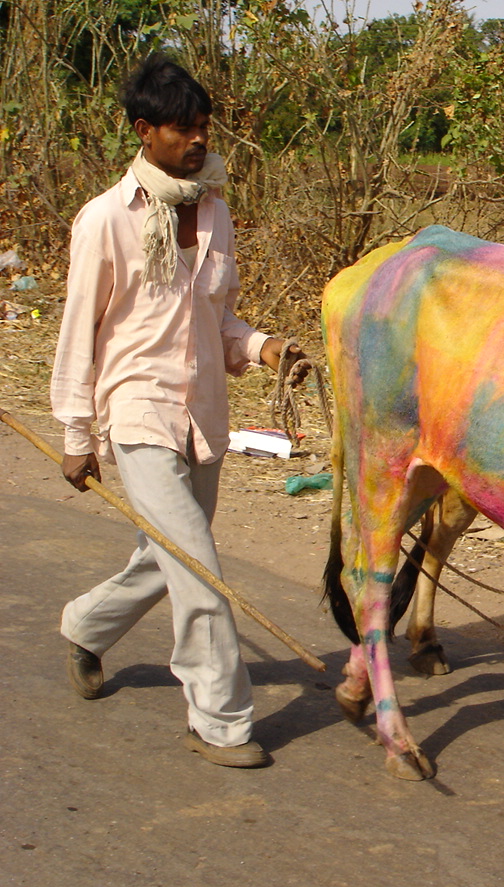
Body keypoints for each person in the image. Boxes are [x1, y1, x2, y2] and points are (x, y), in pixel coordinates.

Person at [49, 54, 300, 768]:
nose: (198, 141)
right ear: (144, 131)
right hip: (137, 412)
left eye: (204, 128)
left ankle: (86, 626)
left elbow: (216, 324)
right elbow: (78, 330)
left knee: (168, 558)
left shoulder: (214, 212)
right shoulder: (105, 221)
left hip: (203, 416)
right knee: (198, 566)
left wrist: (266, 347)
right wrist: (75, 433)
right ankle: (221, 719)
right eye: (183, 129)